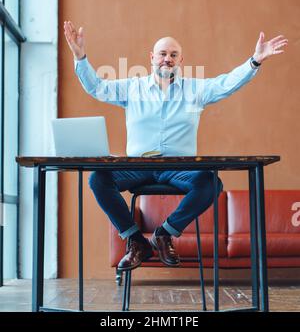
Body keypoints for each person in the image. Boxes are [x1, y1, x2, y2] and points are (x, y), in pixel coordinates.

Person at [64, 21, 288, 271]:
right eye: (162, 54)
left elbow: (226, 83)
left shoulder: (196, 90)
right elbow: (97, 87)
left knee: (210, 183)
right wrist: (80, 56)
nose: (167, 59)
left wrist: (254, 60)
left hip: (179, 168)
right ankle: (136, 241)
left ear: (181, 60)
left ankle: (164, 234)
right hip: (138, 166)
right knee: (98, 179)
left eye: (173, 55)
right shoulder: (132, 88)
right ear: (151, 57)